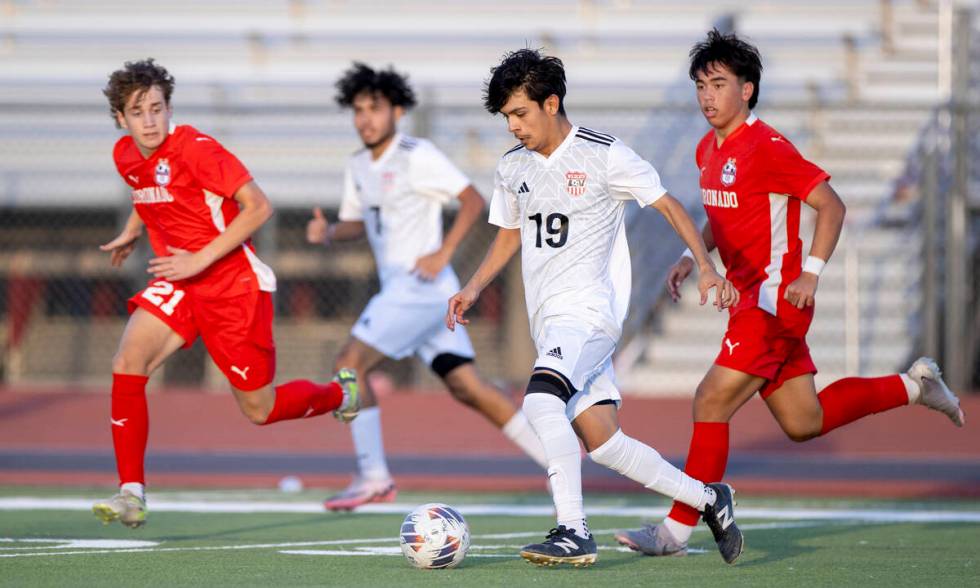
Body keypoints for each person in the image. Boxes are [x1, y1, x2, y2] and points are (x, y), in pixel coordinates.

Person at [614, 29, 966, 558]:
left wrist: (813, 272)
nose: (707, 96)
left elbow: (833, 205)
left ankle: (676, 530)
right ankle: (915, 386)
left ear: (747, 90)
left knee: (710, 399)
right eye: (700, 86)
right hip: (749, 305)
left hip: (776, 303)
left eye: (719, 84)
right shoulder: (707, 147)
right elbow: (721, 216)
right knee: (806, 422)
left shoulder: (768, 146)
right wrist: (693, 258)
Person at [447, 48, 744, 567]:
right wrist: (473, 287)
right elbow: (510, 233)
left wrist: (706, 265)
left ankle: (572, 529)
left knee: (540, 404)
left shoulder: (604, 154)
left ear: (552, 102)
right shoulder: (512, 167)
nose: (513, 126)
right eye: (507, 118)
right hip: (552, 322)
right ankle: (708, 499)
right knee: (603, 442)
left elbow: (670, 205)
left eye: (520, 113)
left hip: (588, 314)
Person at [92, 59, 359, 529]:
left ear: (169, 108)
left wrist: (198, 259)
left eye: (157, 108)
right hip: (178, 279)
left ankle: (340, 395)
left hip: (232, 285)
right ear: (120, 118)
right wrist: (136, 229)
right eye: (138, 112)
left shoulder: (197, 149)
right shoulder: (125, 155)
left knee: (260, 409)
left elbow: (258, 207)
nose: (149, 120)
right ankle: (131, 491)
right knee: (127, 362)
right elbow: (148, 190)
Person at [306, 63, 549, 511]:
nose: (365, 119)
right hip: (418, 295)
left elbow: (472, 200)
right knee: (468, 388)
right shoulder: (358, 165)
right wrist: (330, 233)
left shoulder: (416, 153)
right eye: (358, 110)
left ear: (396, 111)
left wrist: (443, 253)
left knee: (349, 362)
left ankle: (374, 477)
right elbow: (357, 223)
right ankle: (557, 463)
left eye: (374, 109)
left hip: (418, 289)